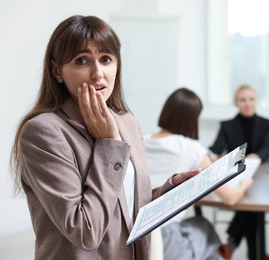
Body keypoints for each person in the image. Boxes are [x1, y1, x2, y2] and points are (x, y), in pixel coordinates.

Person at [10, 15, 198, 260]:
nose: (98, 73)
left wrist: (171, 190)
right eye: (82, 61)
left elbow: (125, 205)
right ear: (57, 71)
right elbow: (85, 230)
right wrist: (109, 143)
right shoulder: (43, 132)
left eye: (106, 59)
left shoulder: (126, 122)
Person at [144, 87, 253, 260]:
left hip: (135, 233)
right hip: (166, 239)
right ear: (191, 118)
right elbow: (230, 198)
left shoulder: (142, 140)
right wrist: (245, 184)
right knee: (206, 231)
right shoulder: (191, 148)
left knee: (202, 227)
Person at [209, 84, 269, 259]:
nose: (247, 103)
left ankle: (232, 243)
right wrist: (211, 155)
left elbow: (268, 149)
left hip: (260, 176)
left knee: (252, 204)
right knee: (253, 207)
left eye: (251, 99)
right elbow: (216, 147)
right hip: (237, 177)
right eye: (243, 100)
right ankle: (257, 254)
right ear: (236, 103)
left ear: (257, 101)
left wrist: (257, 156)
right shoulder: (227, 125)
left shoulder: (267, 124)